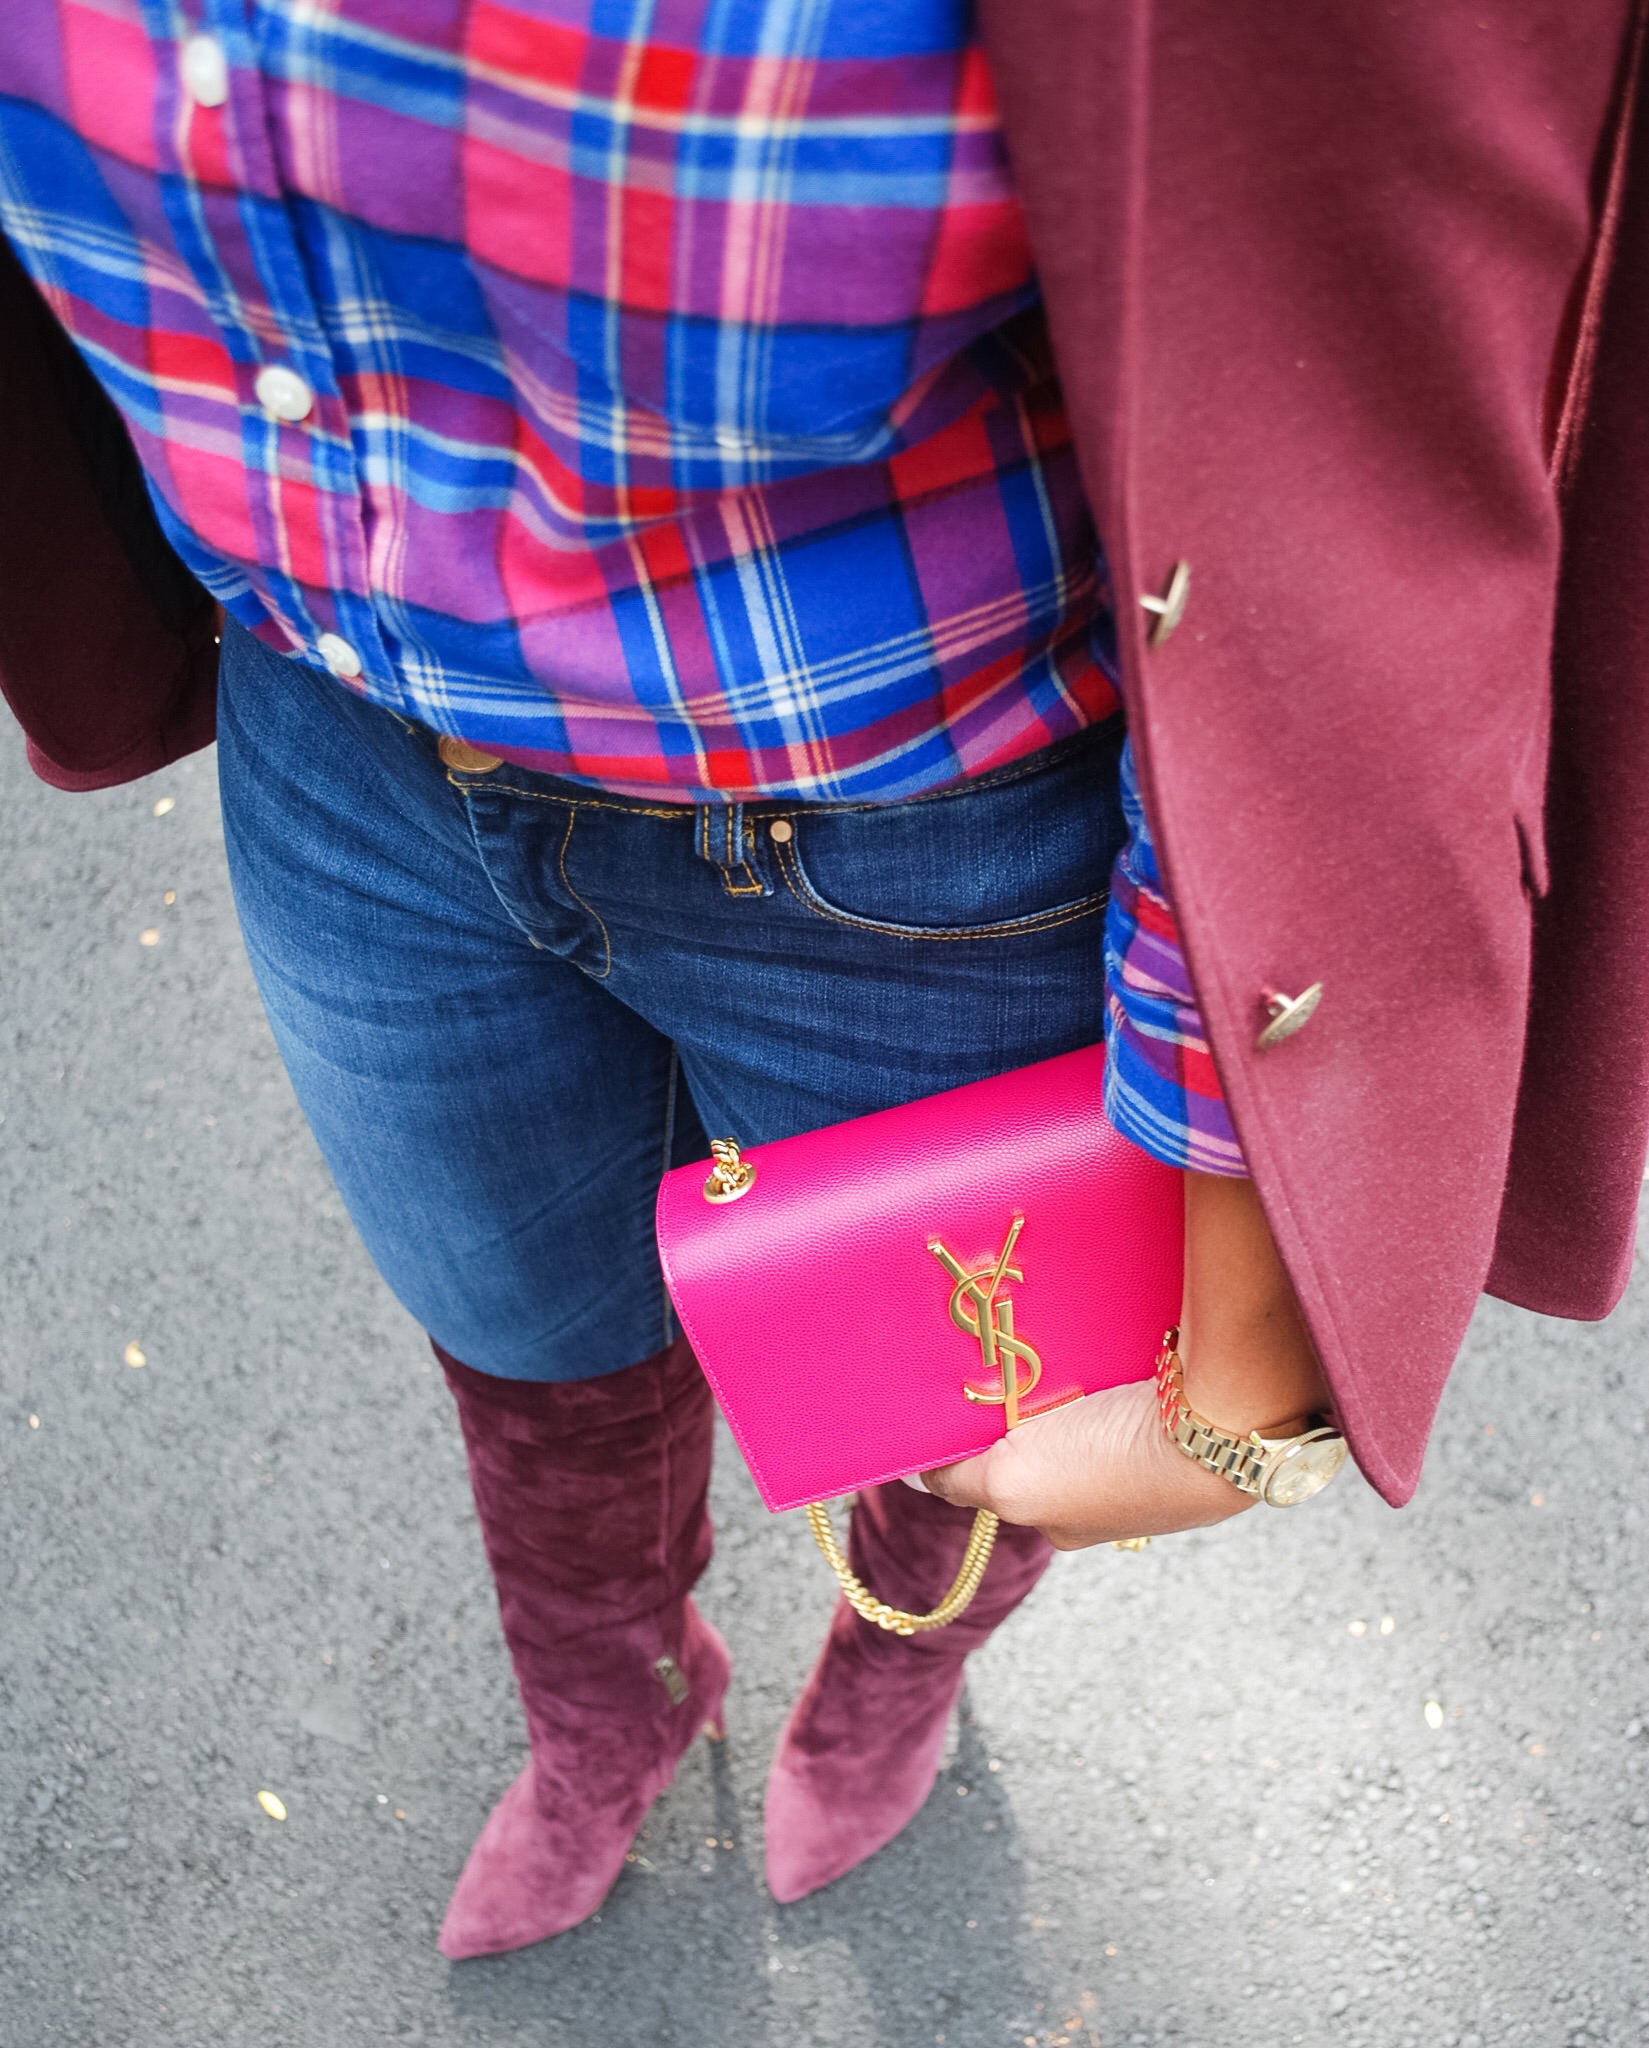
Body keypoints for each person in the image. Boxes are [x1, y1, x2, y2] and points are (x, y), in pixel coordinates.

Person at [3, 0, 1646, 1962]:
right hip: (350, 751)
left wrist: (1240, 1178)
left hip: (917, 826)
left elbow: (1363, 368)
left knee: (966, 1412)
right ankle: (613, 1704)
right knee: (521, 1340)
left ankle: (896, 1671)